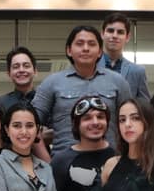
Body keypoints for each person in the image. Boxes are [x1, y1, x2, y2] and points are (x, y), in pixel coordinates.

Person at [32, 25, 132, 155]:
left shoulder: (118, 82)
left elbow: (131, 123)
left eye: (91, 44)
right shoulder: (51, 83)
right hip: (64, 165)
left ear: (100, 52)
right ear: (69, 50)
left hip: (110, 163)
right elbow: (30, 125)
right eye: (79, 44)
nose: (85, 48)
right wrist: (48, 163)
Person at [98, 13, 150, 99]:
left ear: (127, 37)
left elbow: (145, 106)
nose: (114, 35)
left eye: (120, 32)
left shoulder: (137, 72)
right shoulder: (90, 67)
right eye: (110, 31)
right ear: (102, 34)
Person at [0, 46, 38, 112]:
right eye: (16, 67)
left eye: (26, 66)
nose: (21, 70)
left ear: (35, 71)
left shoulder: (46, 101)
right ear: (9, 74)